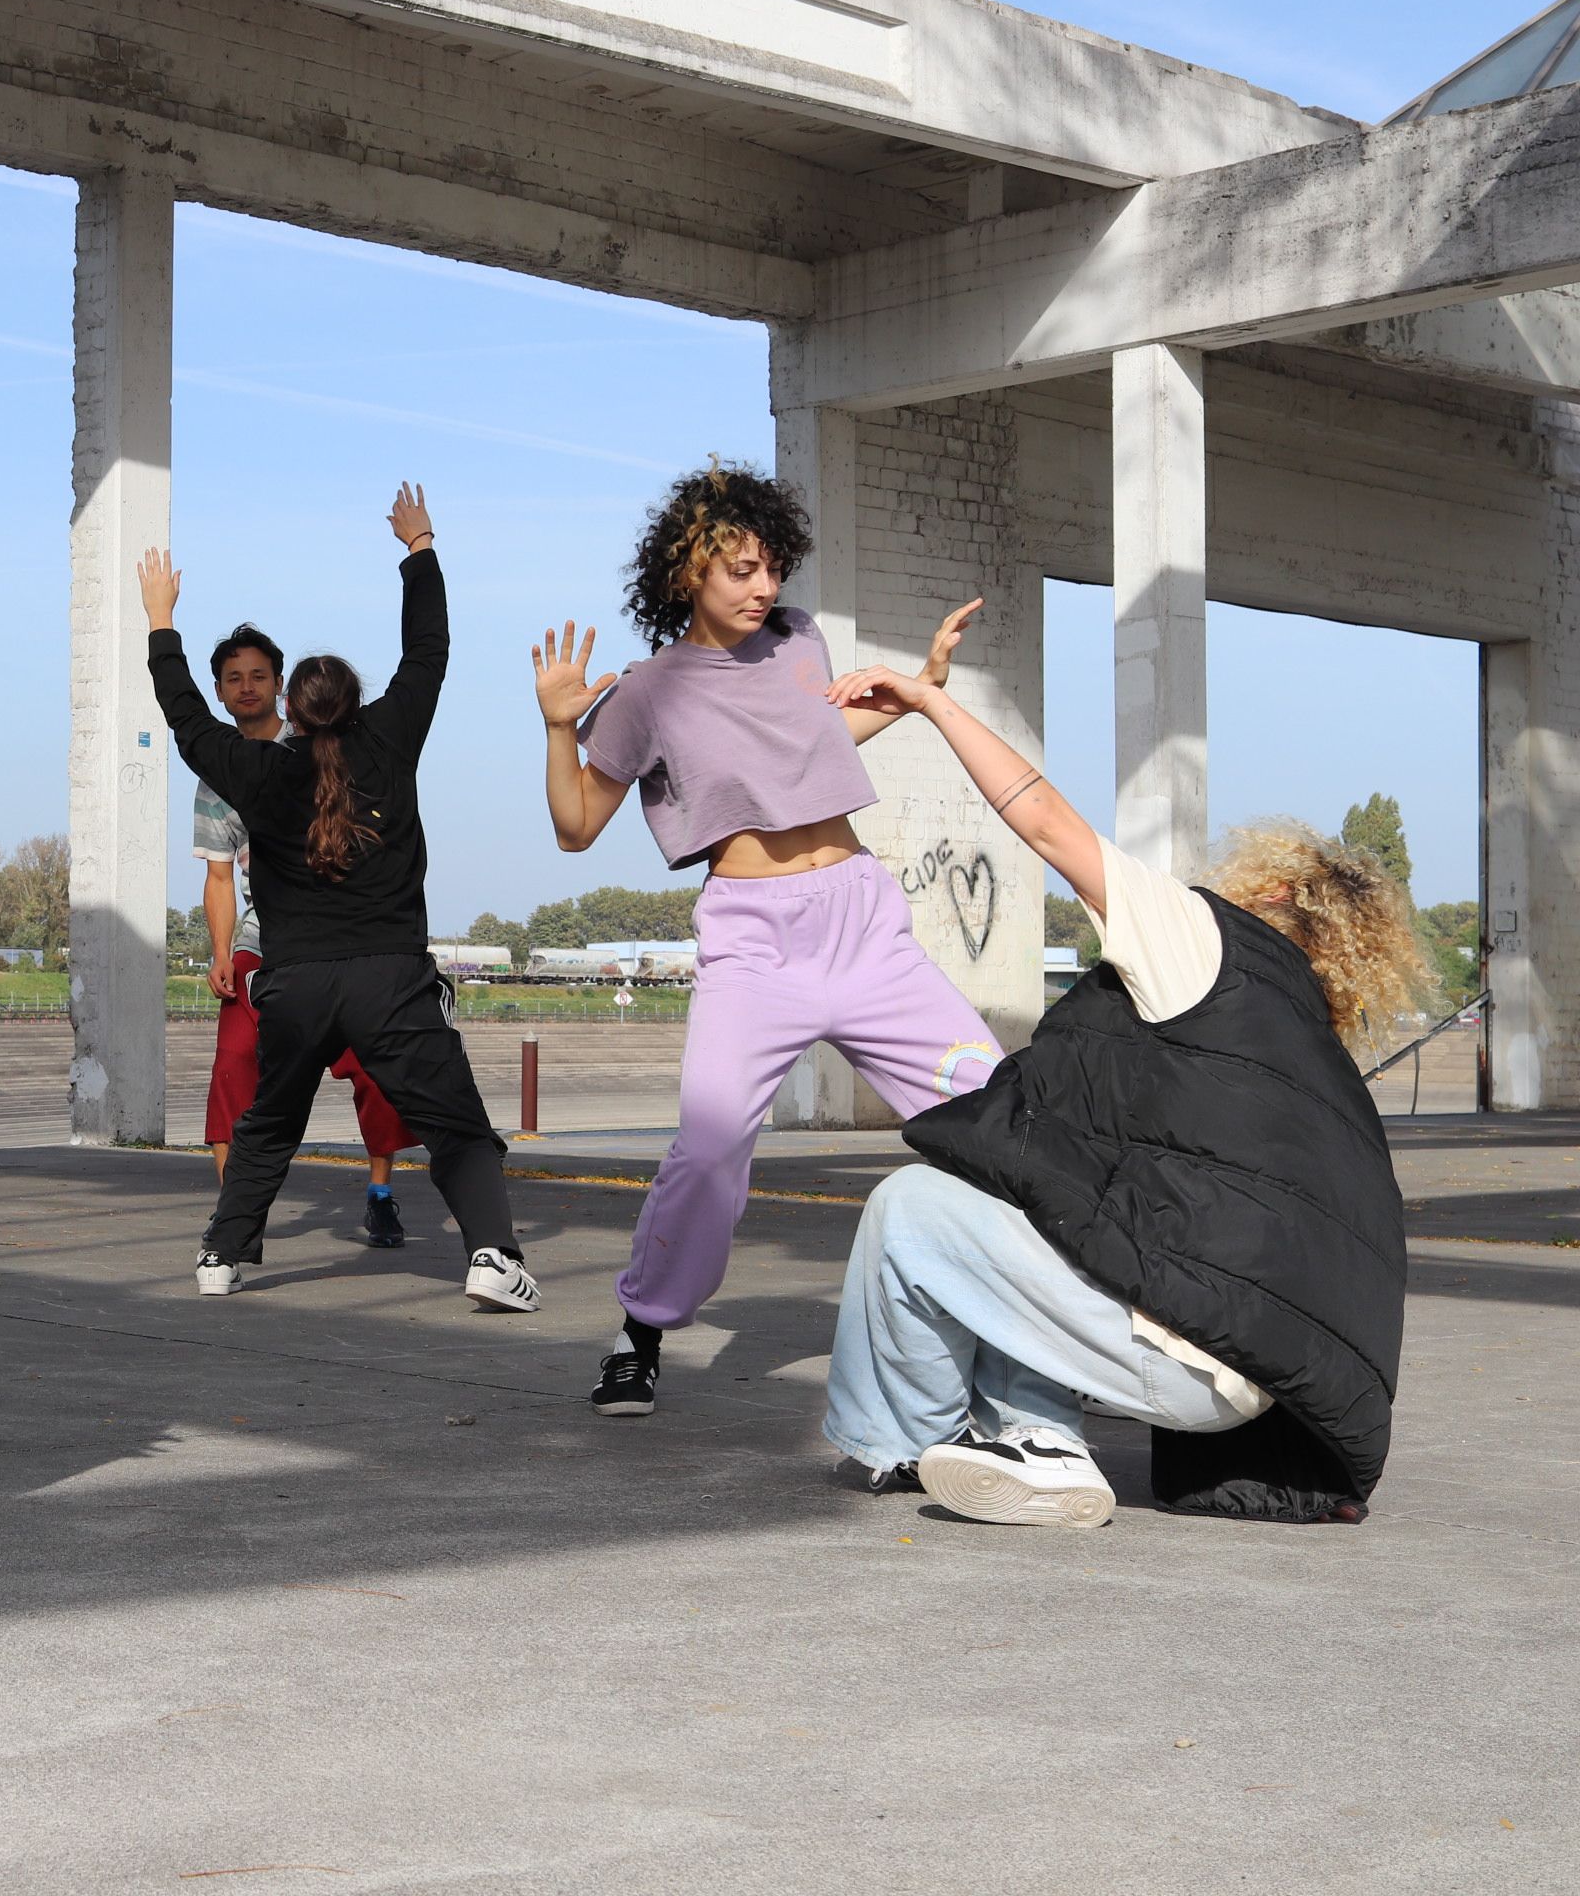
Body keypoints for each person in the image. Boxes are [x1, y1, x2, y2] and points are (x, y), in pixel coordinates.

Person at [815, 660, 1426, 1528]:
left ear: (1277, 890)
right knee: (1033, 1208)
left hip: (1186, 1349)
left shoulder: (1204, 943)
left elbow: (1047, 823)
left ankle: (904, 1446)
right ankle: (1041, 1442)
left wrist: (935, 704)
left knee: (912, 1208)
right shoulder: (1312, 1057)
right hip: (1255, 1378)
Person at [534, 463, 996, 1419]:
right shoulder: (648, 695)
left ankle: (1044, 1326)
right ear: (686, 572)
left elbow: (821, 740)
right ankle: (641, 1330)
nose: (764, 588)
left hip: (865, 927)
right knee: (706, 1150)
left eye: (772, 568)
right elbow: (577, 826)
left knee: (997, 1117)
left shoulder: (799, 641)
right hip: (755, 945)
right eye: (741, 570)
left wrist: (923, 686)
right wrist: (556, 729)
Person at [148, 485, 538, 1314]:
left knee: (270, 1121)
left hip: (293, 985)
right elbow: (428, 651)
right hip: (390, 982)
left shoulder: (256, 770)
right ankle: (493, 1259)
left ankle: (223, 1254)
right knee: (457, 1124)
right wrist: (418, 545)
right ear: (356, 703)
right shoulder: (392, 737)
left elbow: (184, 718)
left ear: (286, 705)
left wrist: (161, 623)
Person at [193, 620, 419, 1245]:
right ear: (218, 691)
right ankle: (237, 1216)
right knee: (234, 1066)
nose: (247, 688)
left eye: (258, 676)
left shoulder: (323, 747)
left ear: (282, 688)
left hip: (339, 948)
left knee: (378, 1070)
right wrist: (221, 954)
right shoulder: (216, 779)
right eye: (233, 678)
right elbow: (217, 879)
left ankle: (380, 1193)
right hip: (260, 948)